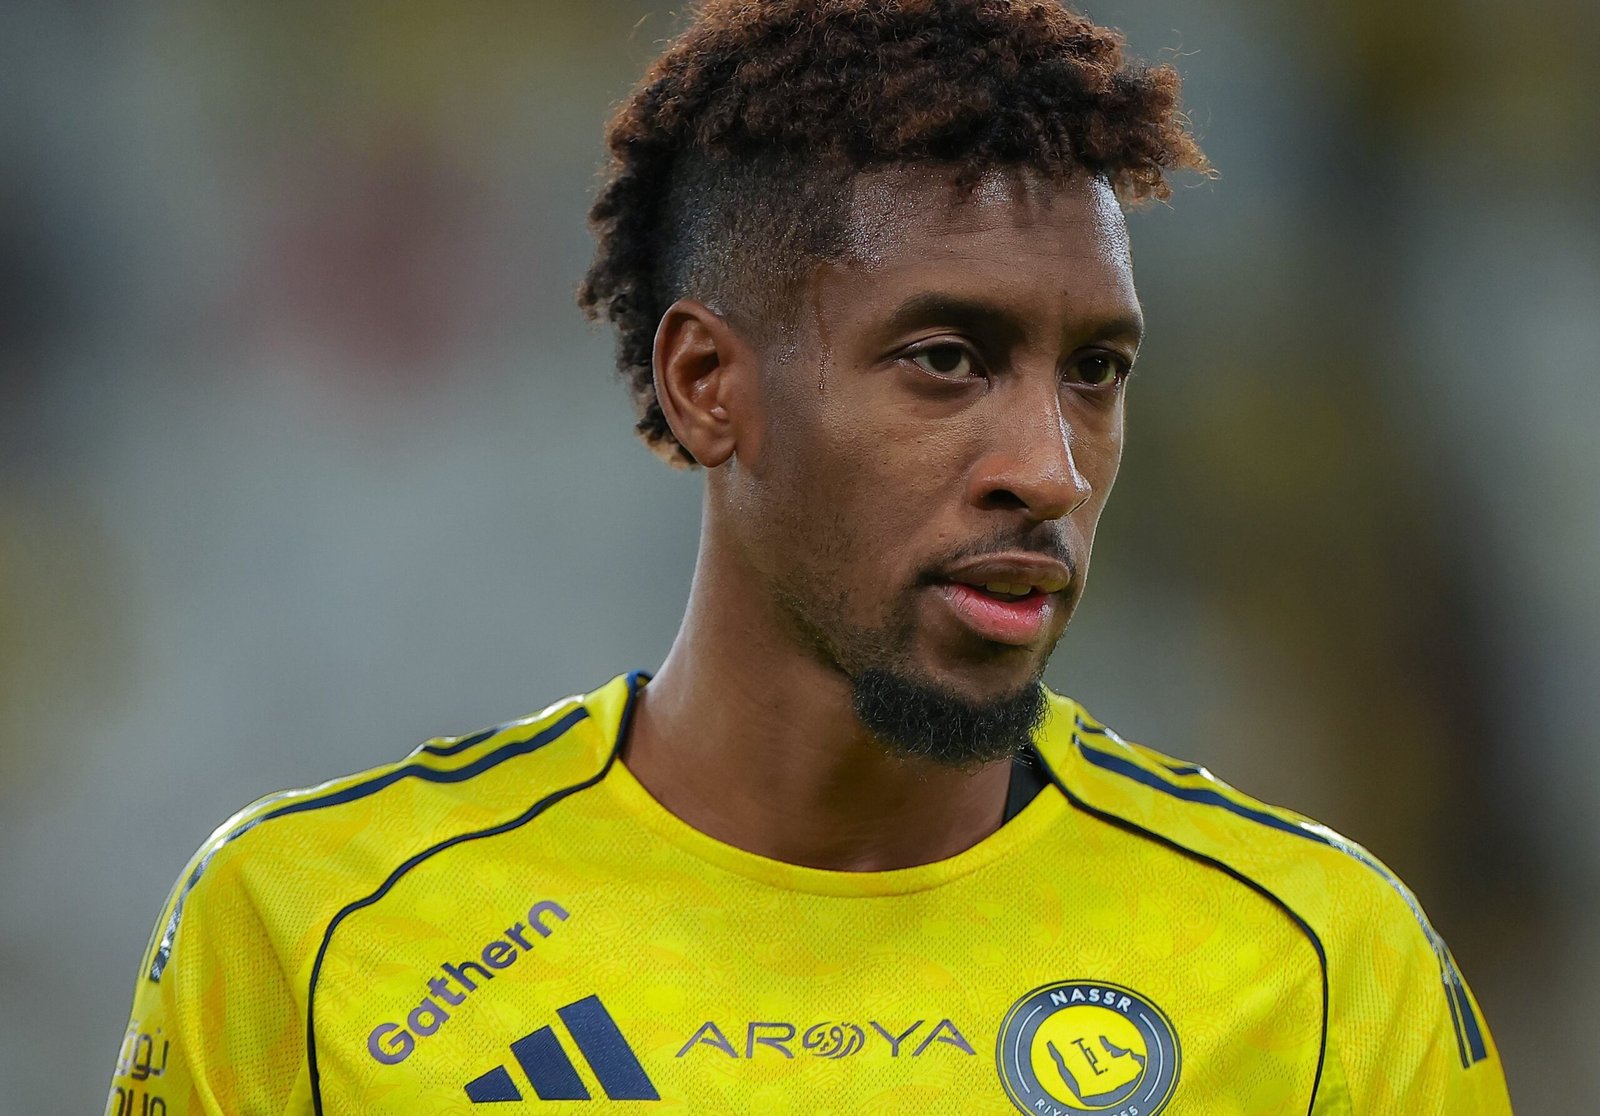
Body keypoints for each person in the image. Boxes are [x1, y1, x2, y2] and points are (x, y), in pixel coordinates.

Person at [108, 1, 1513, 1113]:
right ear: (708, 384)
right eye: (947, 358)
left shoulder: (1318, 975)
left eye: (1095, 371)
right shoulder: (313, 939)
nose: (1050, 467)